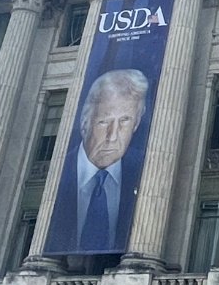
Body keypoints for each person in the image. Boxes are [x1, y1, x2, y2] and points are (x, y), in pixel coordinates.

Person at [45, 69, 149, 255]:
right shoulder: (62, 168)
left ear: (136, 123)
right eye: (103, 122)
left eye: (125, 121)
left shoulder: (146, 167)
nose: (112, 136)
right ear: (85, 122)